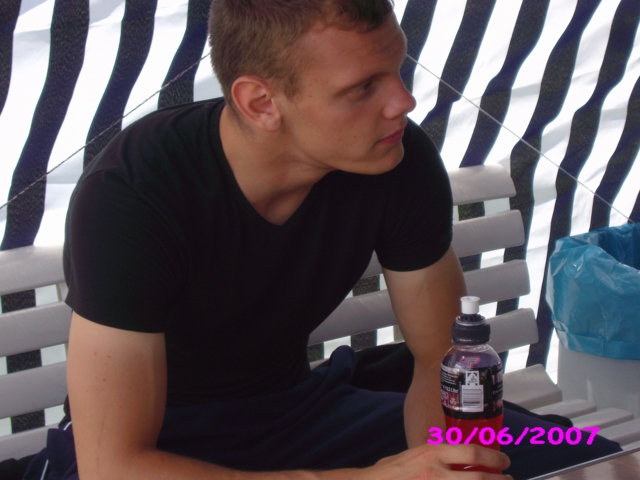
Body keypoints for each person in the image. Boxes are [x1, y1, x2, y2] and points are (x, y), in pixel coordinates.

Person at [24, 1, 620, 479]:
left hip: (300, 413)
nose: (404, 101)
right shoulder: (135, 193)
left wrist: (446, 465)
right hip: (160, 445)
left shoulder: (397, 159)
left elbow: (436, 362)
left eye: (397, 69)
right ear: (261, 103)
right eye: (363, 87)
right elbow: (115, 466)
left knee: (586, 462)